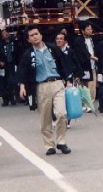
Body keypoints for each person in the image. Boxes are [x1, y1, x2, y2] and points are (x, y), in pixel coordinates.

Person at [18, 26, 73, 156]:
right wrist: (22, 86)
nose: (35, 36)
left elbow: (63, 64)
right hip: (41, 86)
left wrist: (68, 80)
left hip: (57, 83)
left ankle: (61, 141)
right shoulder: (28, 55)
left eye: (36, 34)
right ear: (28, 39)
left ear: (41, 35)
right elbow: (22, 72)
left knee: (61, 113)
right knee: (45, 118)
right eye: (31, 35)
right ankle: (49, 145)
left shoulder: (52, 48)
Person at [73, 21, 98, 106]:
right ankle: (83, 103)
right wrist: (91, 57)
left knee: (92, 86)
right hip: (83, 66)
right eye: (87, 29)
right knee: (83, 86)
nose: (90, 31)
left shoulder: (93, 39)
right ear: (82, 31)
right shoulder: (78, 41)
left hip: (93, 66)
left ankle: (90, 104)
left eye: (91, 29)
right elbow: (82, 53)